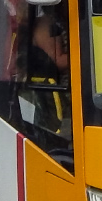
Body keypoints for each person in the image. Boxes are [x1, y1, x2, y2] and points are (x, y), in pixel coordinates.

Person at [23, 8, 71, 143]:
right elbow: (57, 59)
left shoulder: (62, 21)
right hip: (61, 94)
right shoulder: (47, 23)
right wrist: (91, 56)